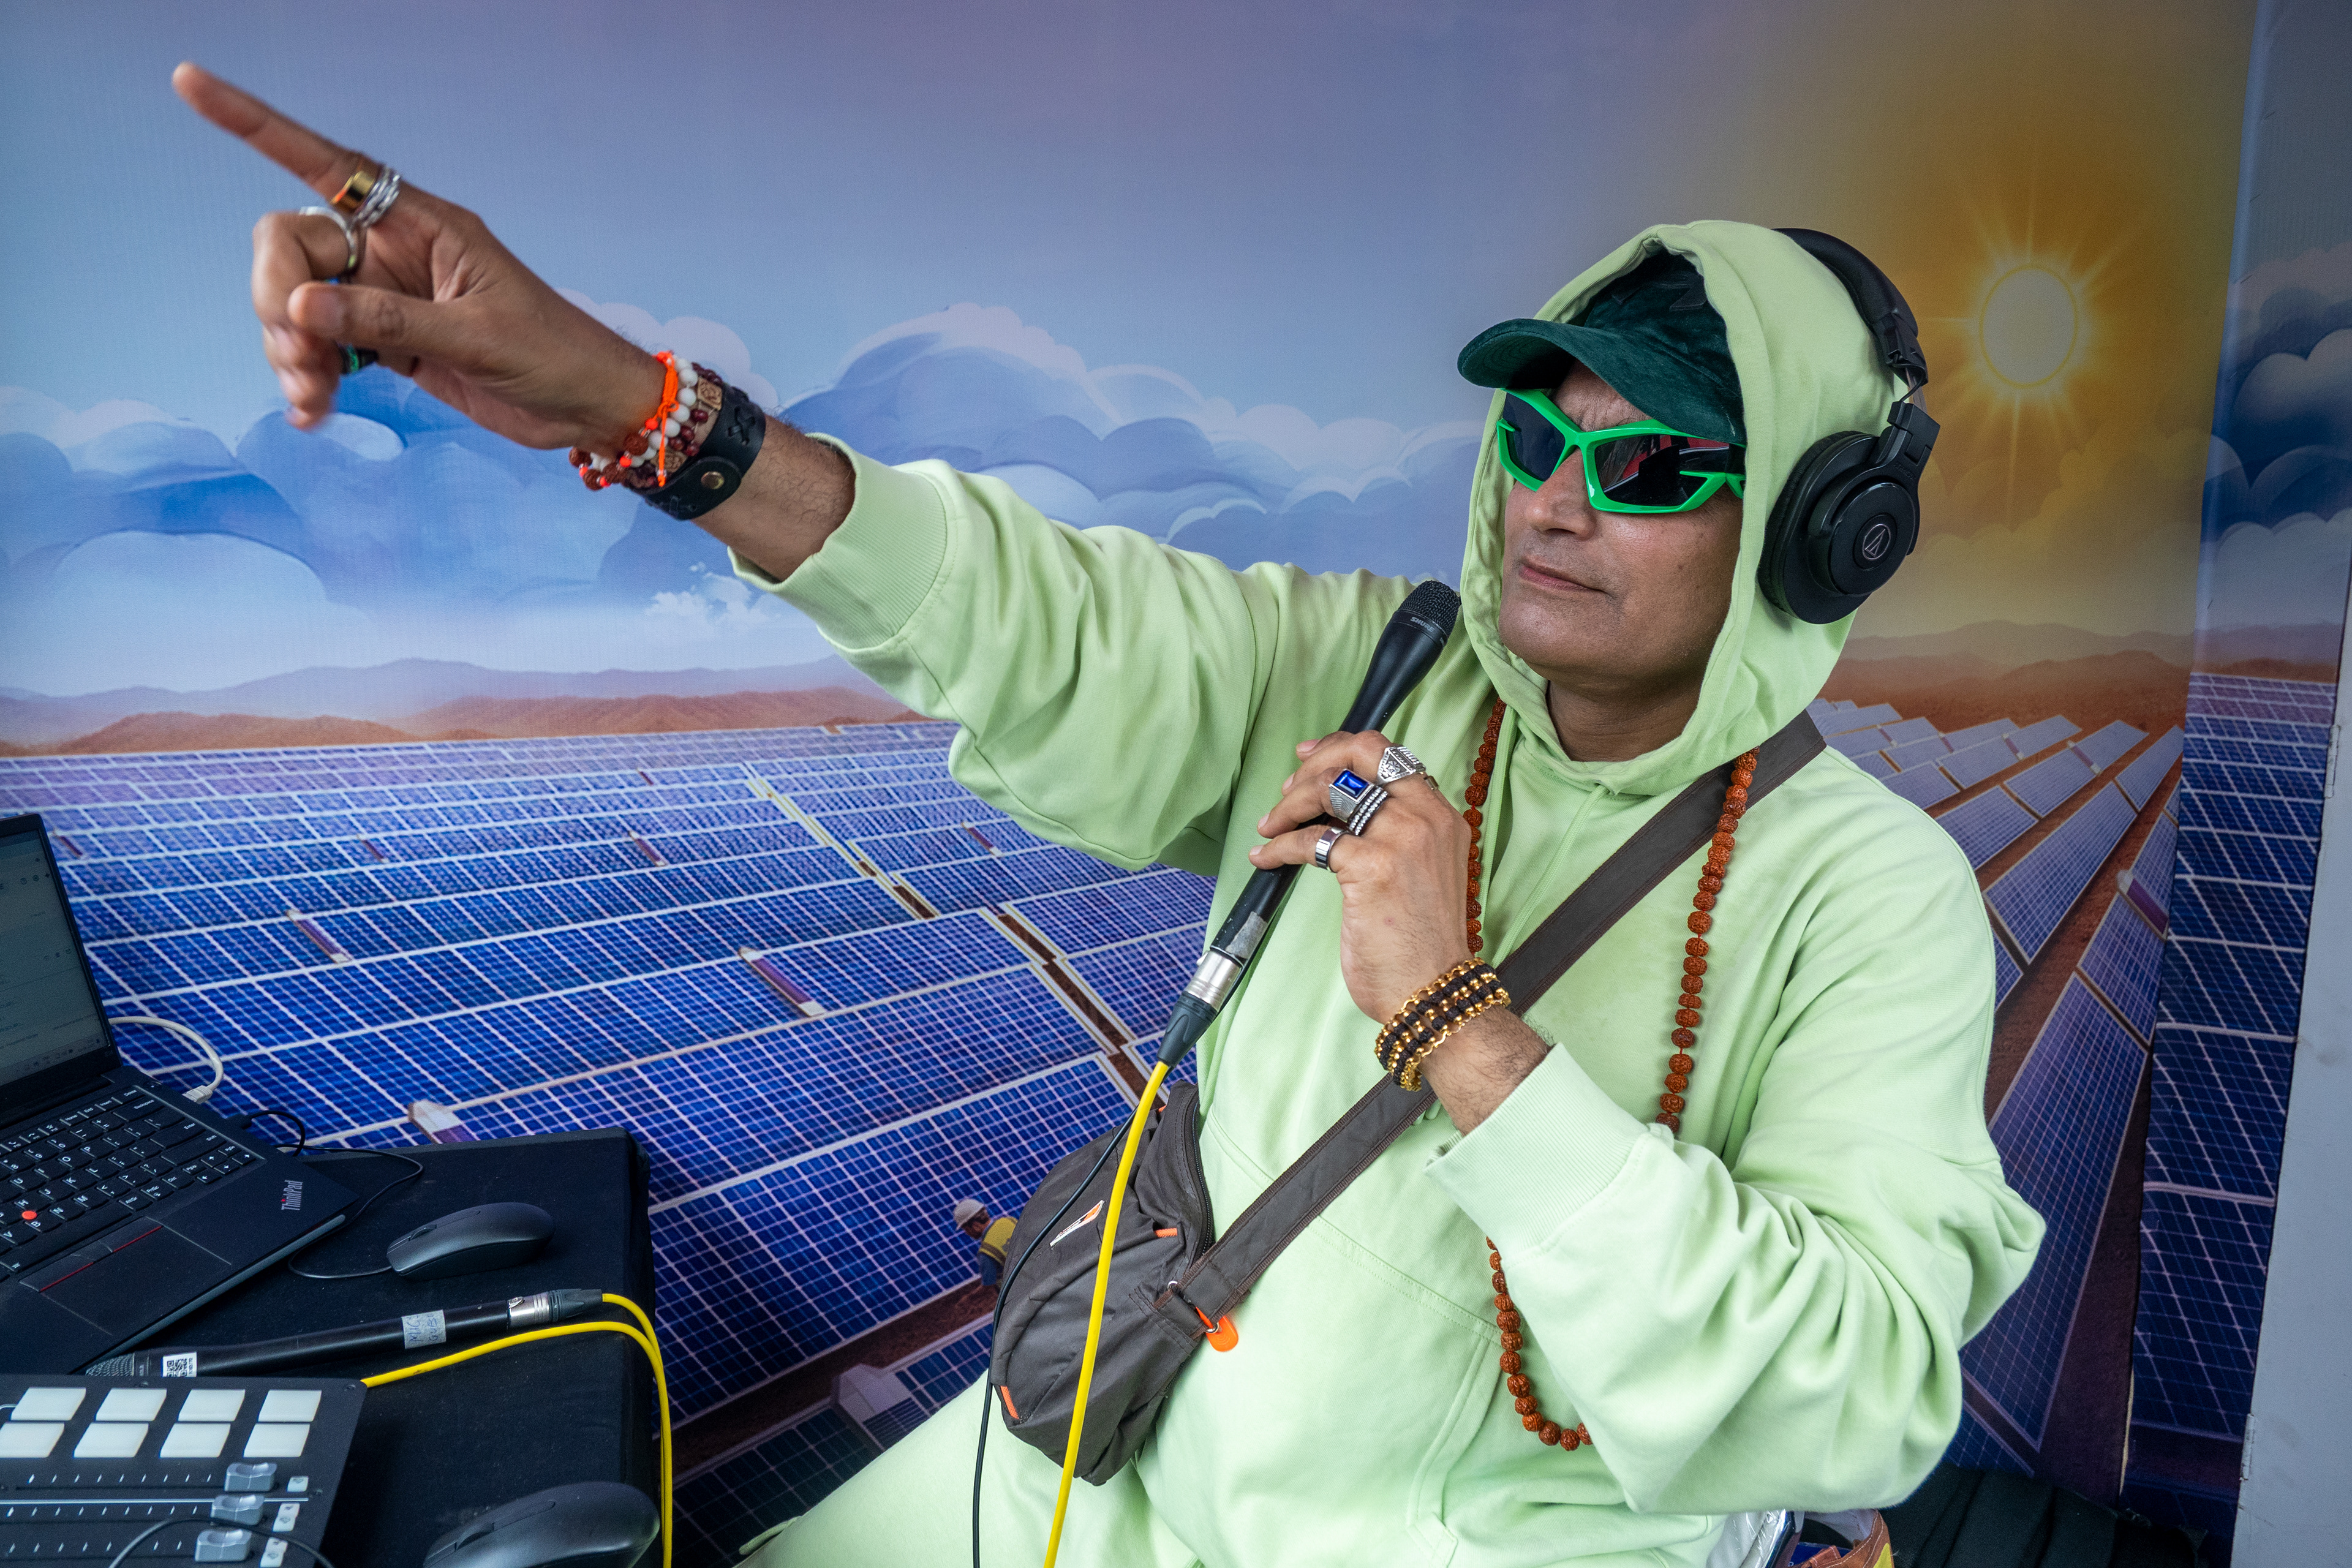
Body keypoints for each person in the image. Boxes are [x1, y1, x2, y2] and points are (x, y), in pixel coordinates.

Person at [178, 62, 2043, 1568]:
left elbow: (1849, 1400)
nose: (1555, 498)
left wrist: (1454, 1019)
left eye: (1645, 465)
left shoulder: (1865, 897)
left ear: (1819, 526)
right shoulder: (1378, 666)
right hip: (1111, 1448)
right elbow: (1036, 612)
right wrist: (638, 407)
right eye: (1539, 437)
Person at [956, 1197, 1016, 1290]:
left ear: (976, 1226)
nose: (967, 1233)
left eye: (966, 1229)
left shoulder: (986, 1252)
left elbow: (988, 1288)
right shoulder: (1010, 1221)